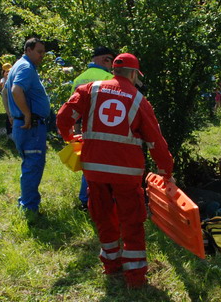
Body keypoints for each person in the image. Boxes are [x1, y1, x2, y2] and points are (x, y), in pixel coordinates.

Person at [57, 53, 173, 288]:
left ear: (114, 71)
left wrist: (70, 137)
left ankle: (111, 265)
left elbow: (63, 117)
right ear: (134, 74)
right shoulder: (139, 99)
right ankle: (135, 276)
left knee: (102, 216)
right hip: (126, 172)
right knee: (132, 220)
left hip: (94, 169)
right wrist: (165, 171)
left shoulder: (90, 89)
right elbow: (155, 141)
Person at [7, 38, 50, 213]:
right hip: (31, 126)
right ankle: (29, 208)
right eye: (39, 52)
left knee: (30, 164)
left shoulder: (17, 66)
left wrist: (11, 114)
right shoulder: (25, 67)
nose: (42, 56)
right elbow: (15, 90)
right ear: (28, 50)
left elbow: (5, 93)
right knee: (33, 165)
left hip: (24, 124)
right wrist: (26, 114)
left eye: (43, 52)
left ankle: (26, 203)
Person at [70, 46, 115, 209]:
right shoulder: (109, 78)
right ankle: (103, 201)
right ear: (105, 59)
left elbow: (73, 109)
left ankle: (84, 200)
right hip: (105, 129)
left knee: (88, 166)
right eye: (110, 61)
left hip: (86, 130)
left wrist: (76, 131)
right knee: (106, 167)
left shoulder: (78, 79)